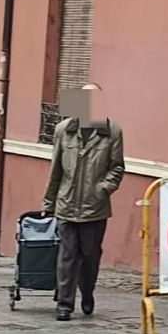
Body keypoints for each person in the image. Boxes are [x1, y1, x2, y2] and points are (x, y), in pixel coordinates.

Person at [42, 85, 124, 322]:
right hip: (66, 203)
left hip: (94, 207)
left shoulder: (112, 131)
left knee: (90, 256)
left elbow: (117, 167)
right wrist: (48, 202)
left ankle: (87, 292)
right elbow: (55, 169)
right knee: (67, 255)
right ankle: (64, 304)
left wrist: (103, 188)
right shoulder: (63, 130)